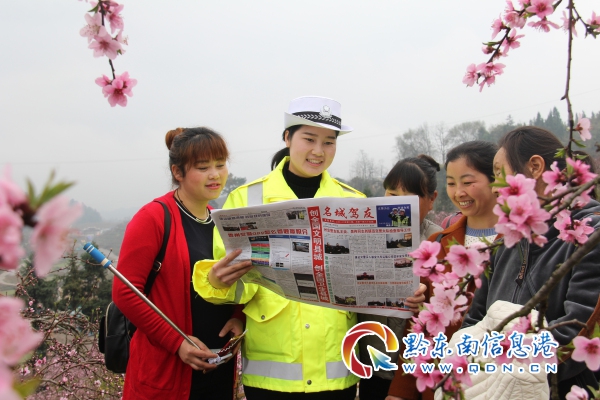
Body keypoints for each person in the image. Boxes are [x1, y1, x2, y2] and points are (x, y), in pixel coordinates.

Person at [193, 96, 427, 399]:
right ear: (287, 138)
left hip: (337, 373)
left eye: (329, 142)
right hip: (271, 376)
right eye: (309, 139)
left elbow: (376, 276)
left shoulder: (354, 202)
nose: (318, 151)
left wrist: (405, 290)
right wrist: (217, 281)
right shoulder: (245, 199)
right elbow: (237, 285)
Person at [462, 126, 600, 399]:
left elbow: (577, 331)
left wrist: (502, 366)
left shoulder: (590, 234)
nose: (495, 187)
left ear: (535, 167)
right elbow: (475, 320)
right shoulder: (507, 240)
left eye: (499, 174)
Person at [113, 127, 248, 400]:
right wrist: (177, 343)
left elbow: (241, 279)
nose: (215, 174)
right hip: (166, 370)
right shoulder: (153, 218)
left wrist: (238, 316)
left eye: (220, 164)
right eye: (203, 167)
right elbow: (125, 292)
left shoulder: (223, 222)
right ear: (178, 172)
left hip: (218, 368)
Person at [387, 141, 500, 400]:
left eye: (468, 182)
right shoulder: (438, 244)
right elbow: (419, 328)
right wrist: (400, 391)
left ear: (496, 180)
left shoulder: (520, 243)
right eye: (451, 183)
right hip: (439, 384)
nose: (459, 192)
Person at [358, 155, 442, 400]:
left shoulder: (439, 240)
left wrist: (426, 300)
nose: (398, 204)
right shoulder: (364, 231)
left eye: (410, 197)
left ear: (432, 199)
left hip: (411, 368)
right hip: (370, 359)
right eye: (392, 194)